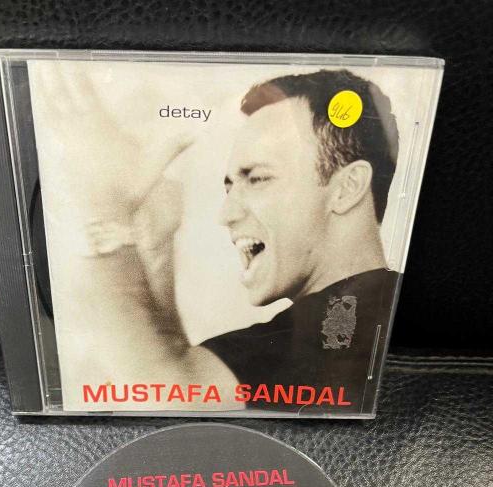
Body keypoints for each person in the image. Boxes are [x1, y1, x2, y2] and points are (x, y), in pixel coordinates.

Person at [35, 65, 399, 412]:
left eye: (257, 179)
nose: (226, 215)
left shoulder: (351, 322)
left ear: (346, 188)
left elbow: (165, 398)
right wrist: (155, 246)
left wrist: (104, 206)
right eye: (229, 187)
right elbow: (195, 388)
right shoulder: (349, 318)